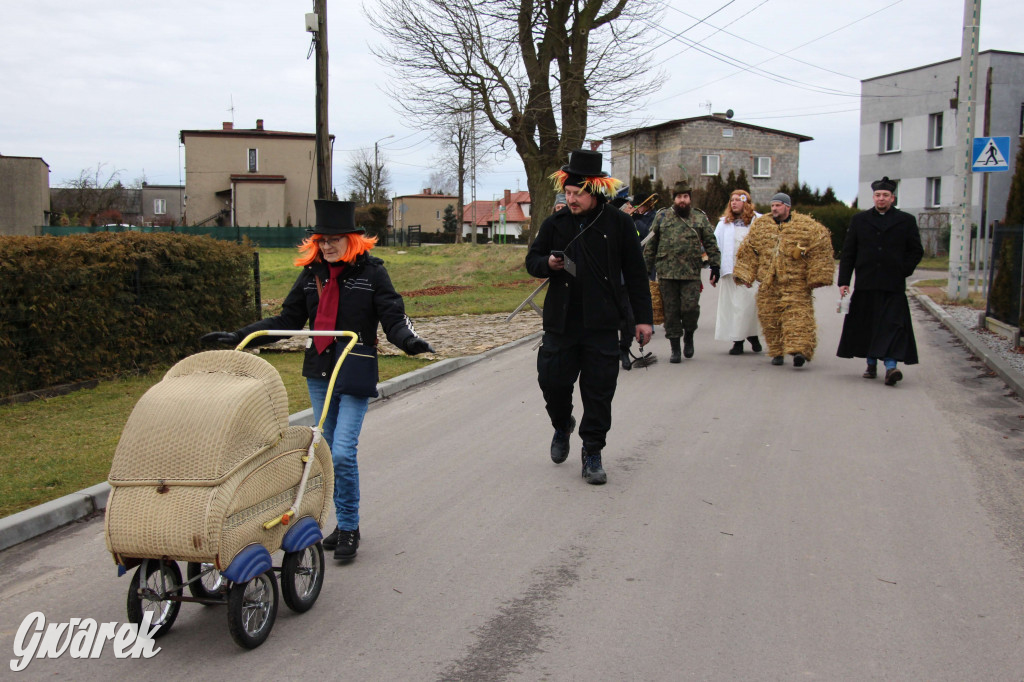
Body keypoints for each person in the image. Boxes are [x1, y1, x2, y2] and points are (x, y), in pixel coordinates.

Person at [201, 200, 434, 562]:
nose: (326, 246)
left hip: (354, 371)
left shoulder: (373, 274)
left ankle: (350, 526)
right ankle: (340, 524)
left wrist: (408, 341)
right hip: (320, 372)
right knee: (324, 454)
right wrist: (239, 336)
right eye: (321, 239)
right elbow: (286, 321)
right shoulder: (312, 275)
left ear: (352, 240)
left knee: (342, 451)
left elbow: (393, 317)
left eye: (334, 239)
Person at [525, 149, 653, 485]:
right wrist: (547, 265)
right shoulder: (555, 223)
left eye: (577, 193)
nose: (570, 199)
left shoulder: (621, 224)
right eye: (567, 193)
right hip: (560, 322)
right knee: (551, 382)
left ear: (595, 190)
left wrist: (643, 319)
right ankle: (562, 423)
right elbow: (532, 260)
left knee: (598, 393)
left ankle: (592, 452)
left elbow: (637, 275)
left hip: (602, 323)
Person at [837, 176, 923, 386]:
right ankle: (870, 363)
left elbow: (916, 250)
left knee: (892, 325)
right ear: (873, 197)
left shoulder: (906, 220)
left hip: (892, 284)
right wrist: (844, 281)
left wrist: (903, 270)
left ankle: (891, 366)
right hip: (866, 282)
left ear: (893, 198)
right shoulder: (860, 220)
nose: (881, 199)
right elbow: (849, 252)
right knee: (868, 324)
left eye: (885, 195)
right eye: (877, 195)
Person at [732, 192, 834, 368]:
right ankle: (777, 351)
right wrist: (745, 275)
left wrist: (818, 276)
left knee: (798, 316)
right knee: (770, 317)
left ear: (787, 207)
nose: (774, 208)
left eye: (778, 205)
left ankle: (799, 350)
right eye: (772, 205)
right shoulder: (762, 226)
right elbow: (749, 250)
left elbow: (821, 245)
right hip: (768, 282)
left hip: (796, 282)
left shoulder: (806, 226)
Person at [643, 181, 721, 363]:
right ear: (674, 199)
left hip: (691, 273)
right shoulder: (662, 217)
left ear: (690, 199)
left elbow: (711, 243)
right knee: (670, 312)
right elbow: (650, 245)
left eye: (685, 197)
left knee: (690, 308)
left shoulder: (699, 218)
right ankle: (675, 348)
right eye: (679, 197)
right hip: (667, 273)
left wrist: (715, 266)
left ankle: (689, 334)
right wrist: (645, 270)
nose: (682, 201)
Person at [713, 190, 762, 355]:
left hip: (750, 273)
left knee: (747, 306)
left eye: (737, 200)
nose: (733, 203)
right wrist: (714, 269)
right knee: (734, 307)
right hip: (730, 272)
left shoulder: (758, 222)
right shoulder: (724, 224)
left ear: (745, 202)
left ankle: (746, 338)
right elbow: (715, 246)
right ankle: (743, 339)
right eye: (731, 200)